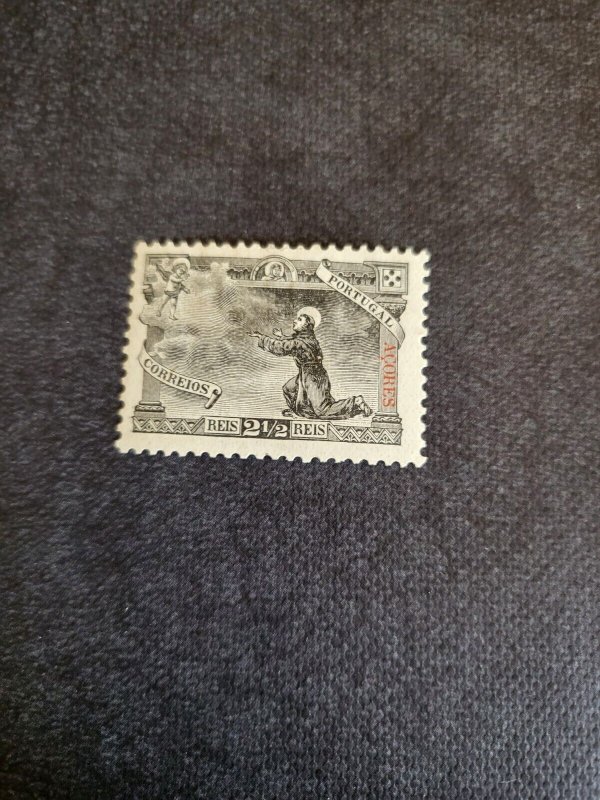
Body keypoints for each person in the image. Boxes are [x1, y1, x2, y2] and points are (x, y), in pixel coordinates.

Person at [248, 313, 372, 419]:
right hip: (306, 373)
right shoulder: (308, 338)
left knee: (322, 410)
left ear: (306, 325)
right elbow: (293, 342)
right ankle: (299, 411)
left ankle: (355, 402)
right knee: (289, 389)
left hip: (314, 376)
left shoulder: (302, 341)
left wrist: (261, 337)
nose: (295, 321)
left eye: (299, 319)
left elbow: (282, 347)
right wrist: (282, 336)